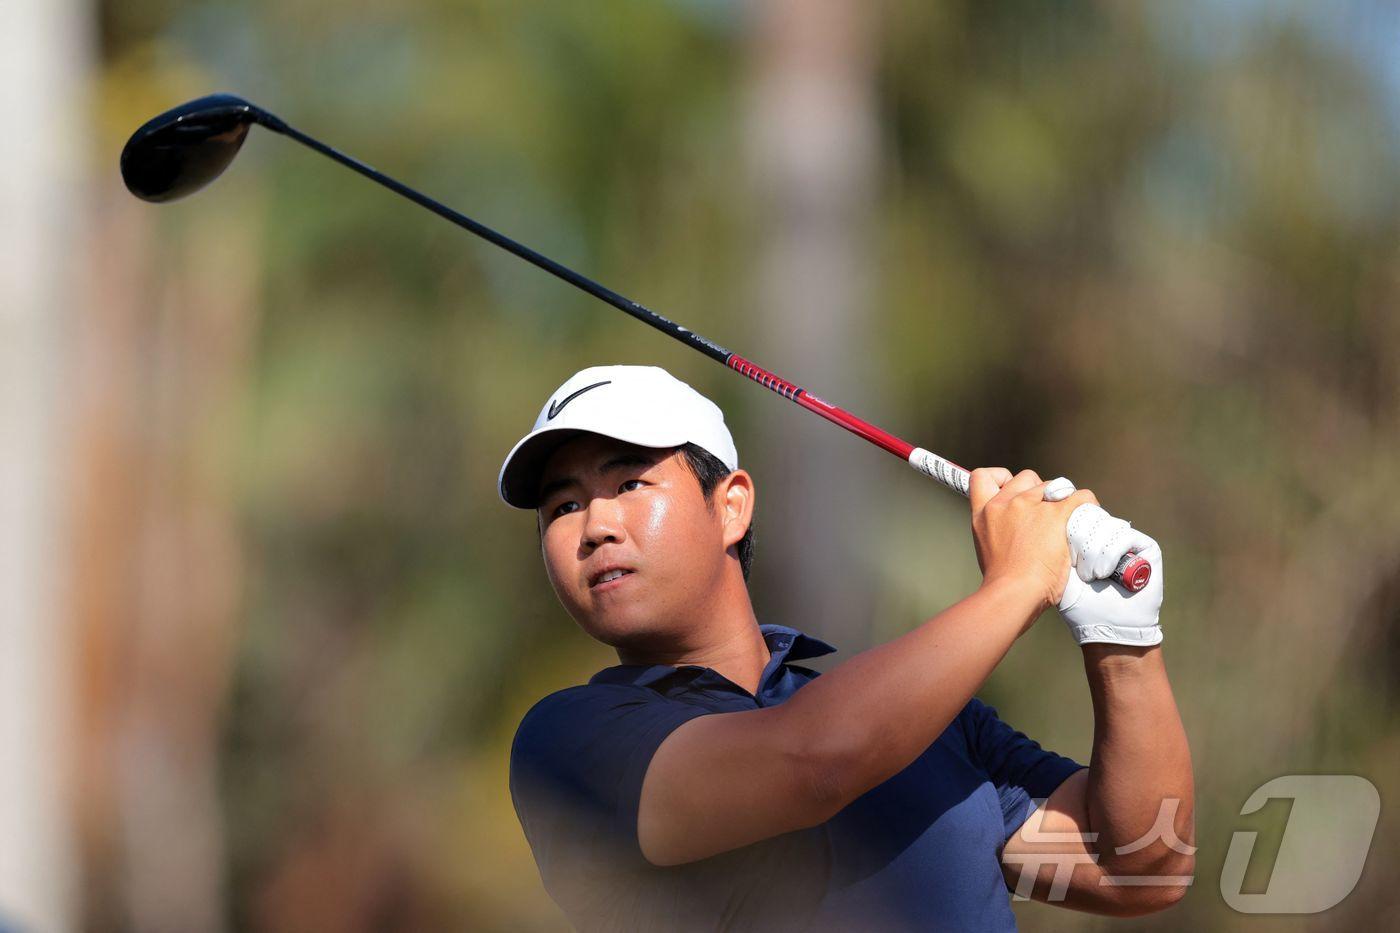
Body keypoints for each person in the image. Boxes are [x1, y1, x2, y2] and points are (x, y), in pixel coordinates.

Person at [501, 365, 1194, 931]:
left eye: (628, 484)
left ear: (732, 506)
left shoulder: (934, 724)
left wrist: (1122, 636)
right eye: (563, 507)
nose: (595, 526)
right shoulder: (567, 742)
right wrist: (1019, 582)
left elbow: (1140, 866)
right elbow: (814, 760)